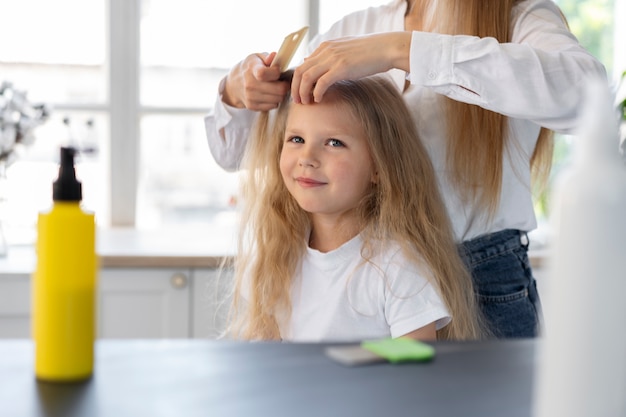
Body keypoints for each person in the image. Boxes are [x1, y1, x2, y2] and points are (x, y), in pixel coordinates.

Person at [205, 0, 607, 338]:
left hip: (482, 282)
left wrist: (403, 51)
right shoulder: (354, 27)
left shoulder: (519, 17)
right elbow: (243, 153)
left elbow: (586, 98)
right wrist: (239, 93)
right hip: (356, 266)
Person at [227, 76, 486, 342]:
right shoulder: (277, 256)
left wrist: (348, 364)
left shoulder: (397, 267)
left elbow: (415, 358)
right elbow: (268, 354)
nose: (307, 158)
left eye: (334, 143)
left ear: (378, 166)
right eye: (296, 139)